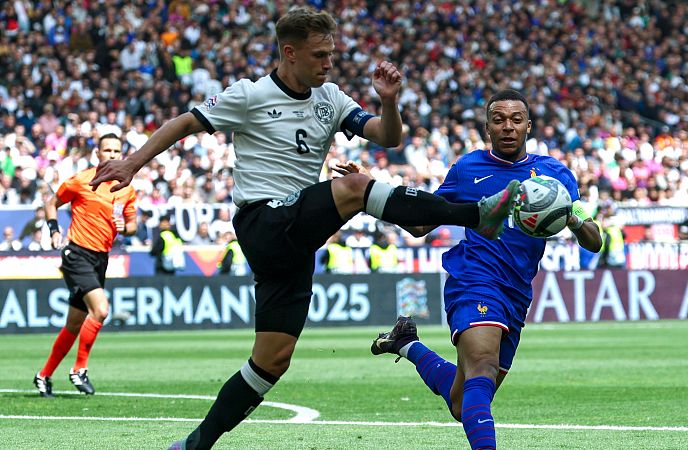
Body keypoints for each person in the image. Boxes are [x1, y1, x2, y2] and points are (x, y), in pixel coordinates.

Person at [88, 8, 518, 449]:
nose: (328, 63)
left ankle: (195, 443)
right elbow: (185, 122)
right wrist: (133, 162)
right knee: (352, 186)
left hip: (296, 241)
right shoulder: (250, 95)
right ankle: (474, 215)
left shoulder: (329, 97)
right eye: (320, 55)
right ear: (289, 53)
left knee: (272, 360)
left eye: (331, 54)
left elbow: (387, 137)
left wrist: (388, 100)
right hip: (263, 222)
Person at [369, 90, 603, 450]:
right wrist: (371, 195)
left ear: (528, 125)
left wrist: (570, 214)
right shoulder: (467, 169)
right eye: (498, 120)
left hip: (516, 291)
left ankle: (407, 344)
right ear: (487, 128)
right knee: (482, 368)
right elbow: (420, 225)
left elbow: (593, 240)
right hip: (474, 279)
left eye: (515, 119)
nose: (507, 127)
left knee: (464, 401)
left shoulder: (556, 175)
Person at [33, 133, 137, 398]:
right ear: (98, 154)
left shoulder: (127, 187)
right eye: (107, 150)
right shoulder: (82, 180)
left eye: (116, 150)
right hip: (77, 253)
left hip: (101, 258)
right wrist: (54, 230)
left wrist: (127, 228)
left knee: (74, 323)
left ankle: (43, 376)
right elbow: (51, 203)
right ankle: (79, 370)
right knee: (101, 310)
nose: (112, 155)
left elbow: (133, 225)